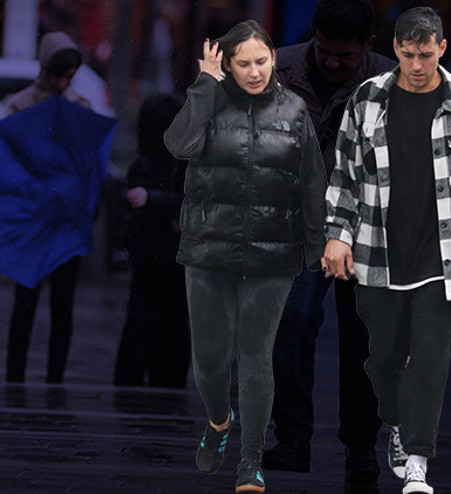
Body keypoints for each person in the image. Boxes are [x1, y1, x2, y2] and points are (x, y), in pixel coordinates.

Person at [323, 7, 451, 494]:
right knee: (382, 361)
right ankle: (397, 423)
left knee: (430, 358)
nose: (415, 65)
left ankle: (417, 460)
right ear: (396, 49)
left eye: (425, 55)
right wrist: (336, 234)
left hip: (442, 259)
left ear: (442, 48)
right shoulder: (368, 101)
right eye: (407, 54)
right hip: (377, 253)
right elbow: (345, 176)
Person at [164, 21, 327, 492]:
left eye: (262, 61)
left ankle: (250, 461)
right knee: (210, 361)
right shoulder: (209, 101)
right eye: (243, 63)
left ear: (274, 59)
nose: (254, 71)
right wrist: (204, 86)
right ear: (227, 66)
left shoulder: (295, 111)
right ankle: (218, 422)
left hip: (273, 253)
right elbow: (179, 145)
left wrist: (316, 249)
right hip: (208, 249)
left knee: (256, 356)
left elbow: (313, 184)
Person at [264, 0, 396, 489]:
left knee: (365, 344)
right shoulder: (275, 69)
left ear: (368, 46)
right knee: (292, 324)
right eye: (325, 51)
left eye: (345, 55)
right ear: (312, 37)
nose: (333, 62)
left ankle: (361, 448)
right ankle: (293, 439)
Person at [3, 31, 92, 384]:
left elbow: (86, 162)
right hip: (33, 220)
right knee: (25, 301)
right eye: (59, 73)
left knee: (62, 304)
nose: (63, 81)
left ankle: (54, 376)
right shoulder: (20, 104)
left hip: (65, 220)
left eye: (69, 75)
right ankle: (15, 375)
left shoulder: (79, 105)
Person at [113, 93, 190, 389]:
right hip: (169, 255)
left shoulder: (147, 164)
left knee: (144, 322)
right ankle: (164, 382)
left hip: (154, 254)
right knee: (169, 324)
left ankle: (139, 381)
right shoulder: (182, 160)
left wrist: (150, 201)